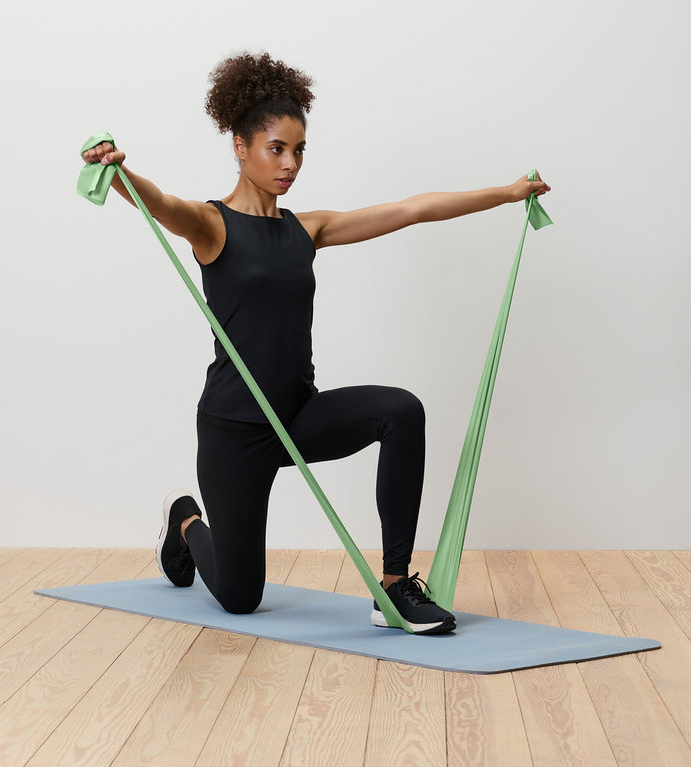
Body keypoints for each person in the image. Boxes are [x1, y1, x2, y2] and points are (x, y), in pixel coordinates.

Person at [81, 51, 550, 635]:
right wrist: (123, 174)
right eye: (276, 148)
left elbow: (412, 210)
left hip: (298, 415)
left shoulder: (308, 229)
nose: (290, 163)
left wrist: (505, 194)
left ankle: (396, 586)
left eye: (299, 150)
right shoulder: (212, 224)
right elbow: (162, 204)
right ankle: (184, 523)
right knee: (238, 596)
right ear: (240, 145)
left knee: (400, 411)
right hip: (237, 429)